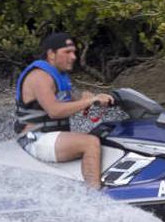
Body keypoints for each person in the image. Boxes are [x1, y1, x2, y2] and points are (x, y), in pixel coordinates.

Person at [14, 32, 114, 189]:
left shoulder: (59, 76)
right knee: (90, 143)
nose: (73, 57)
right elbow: (55, 111)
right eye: (67, 52)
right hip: (35, 139)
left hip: (50, 136)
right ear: (51, 54)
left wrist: (87, 100)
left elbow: (71, 104)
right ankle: (95, 196)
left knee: (105, 133)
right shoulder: (40, 77)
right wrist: (89, 100)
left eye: (74, 52)